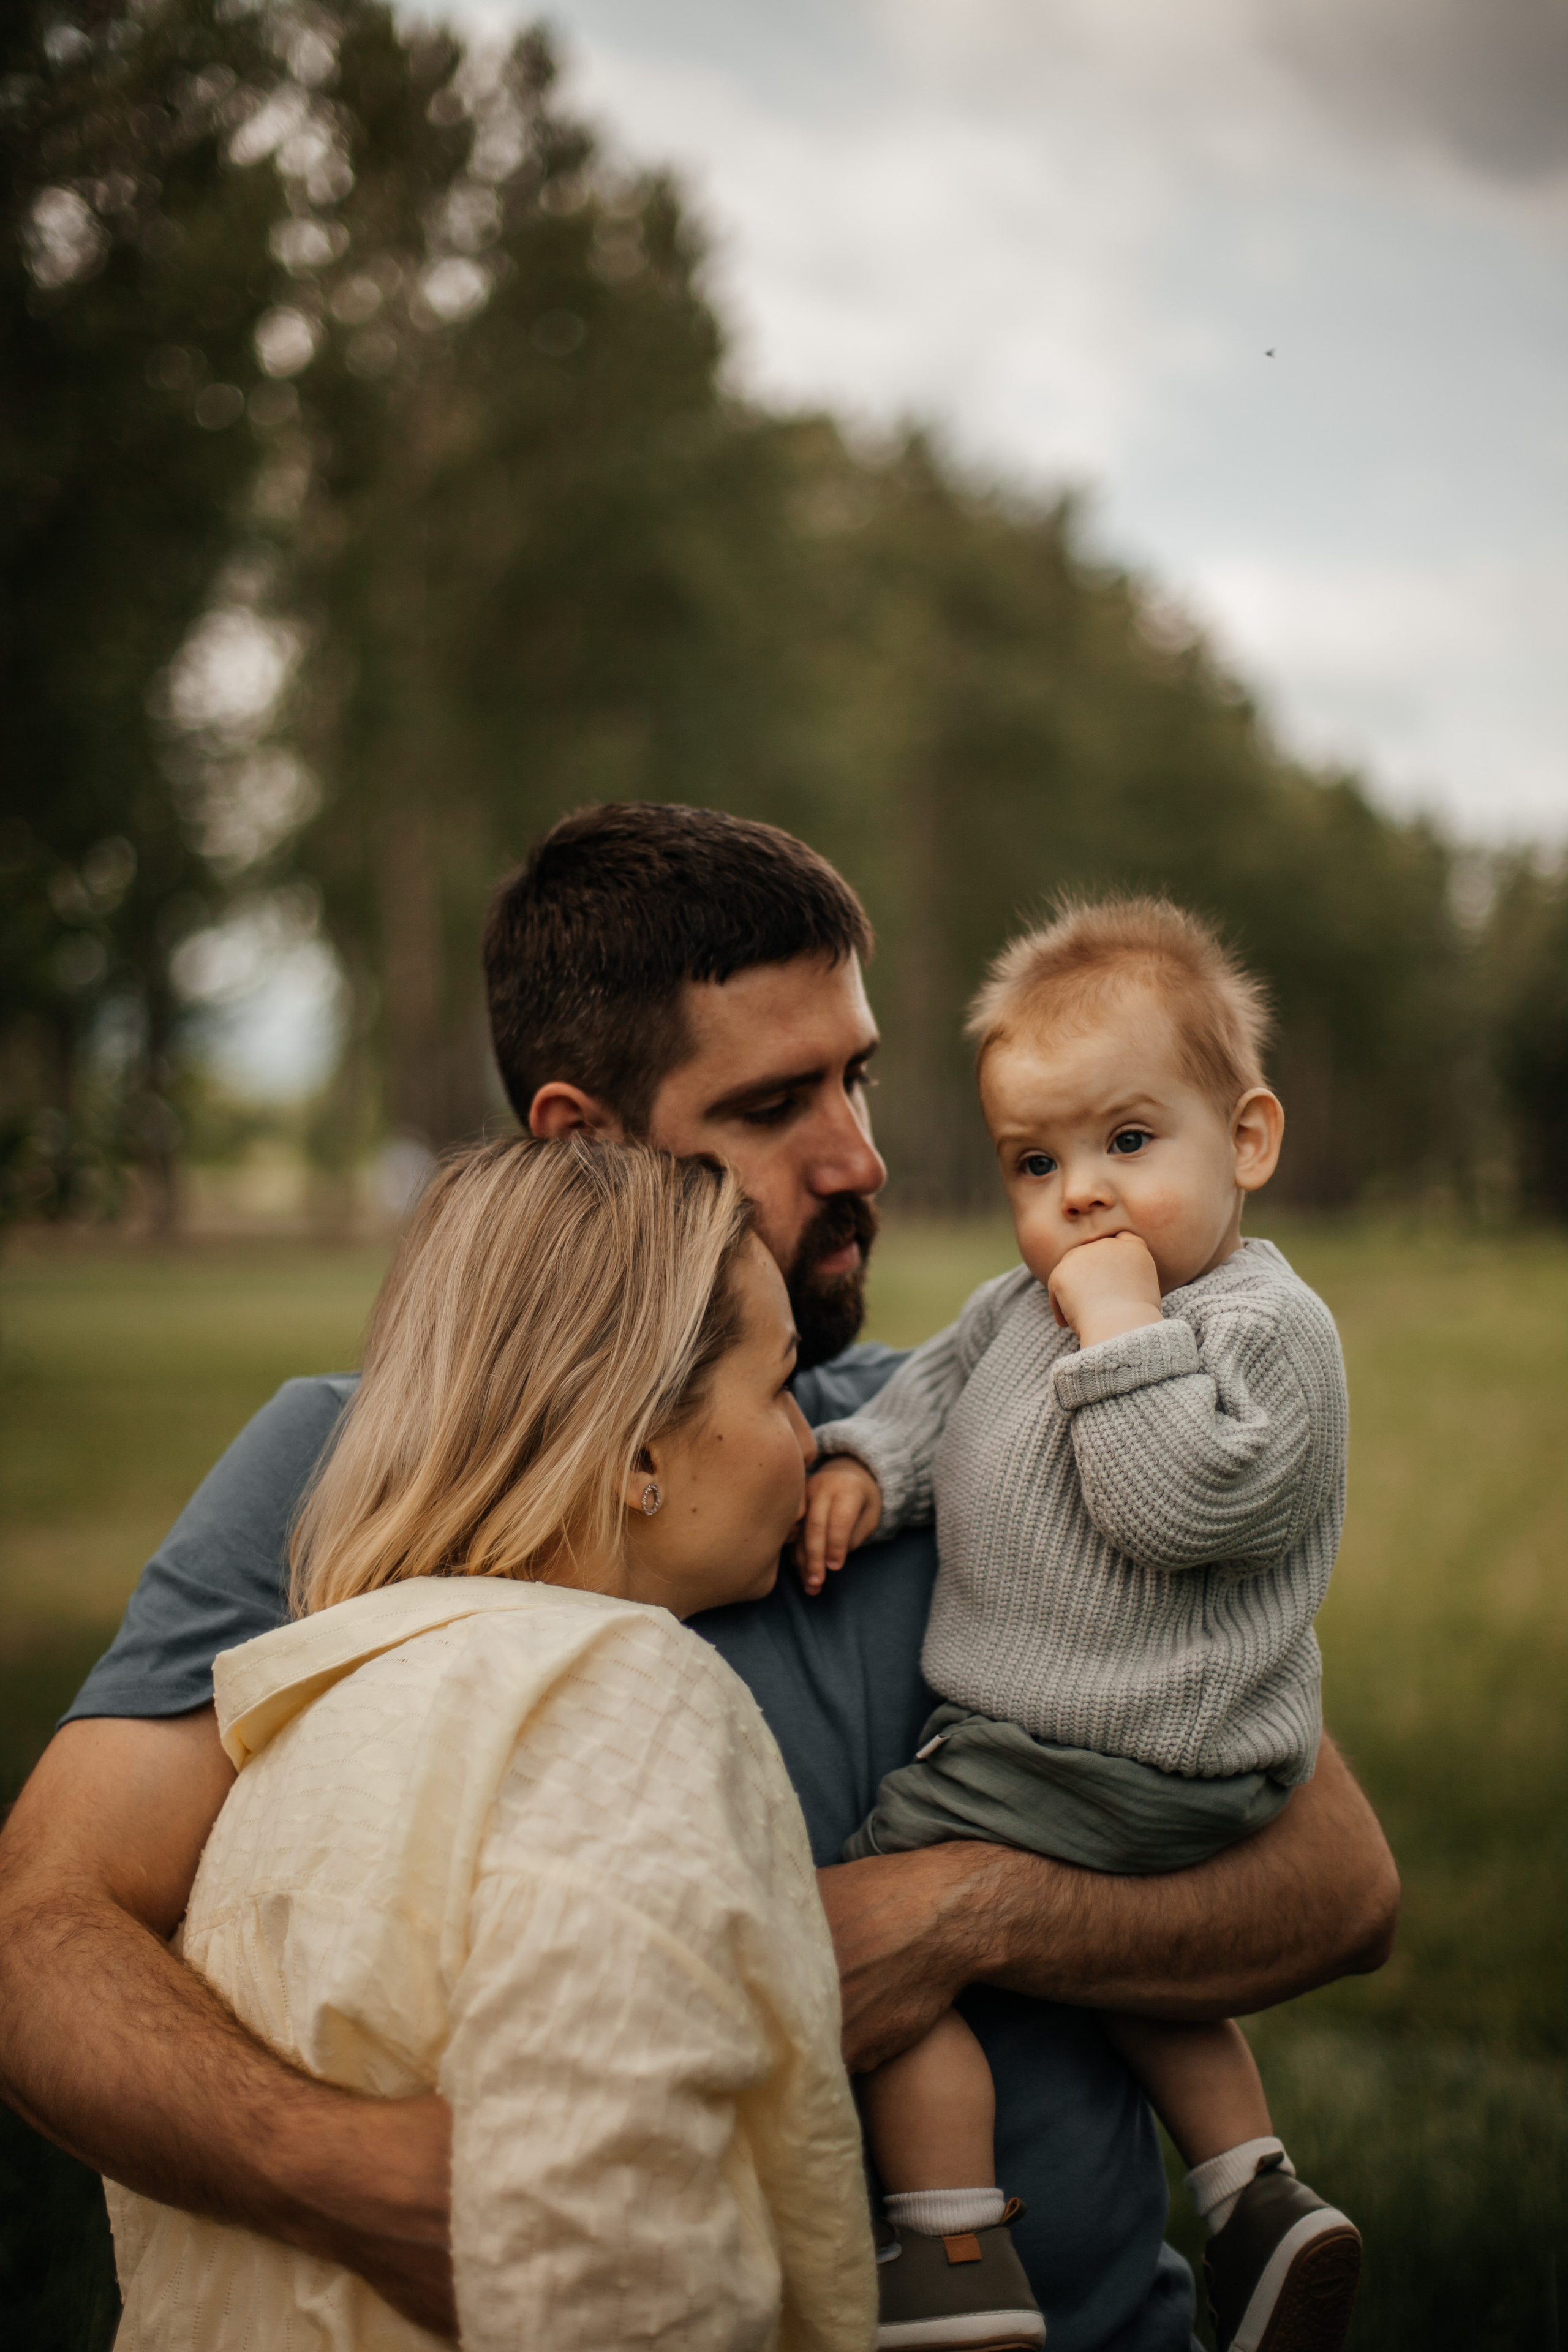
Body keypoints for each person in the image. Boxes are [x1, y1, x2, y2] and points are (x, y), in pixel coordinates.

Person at [0, 805, 1398, 2351]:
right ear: (580, 1141)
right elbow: (38, 1938)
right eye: (775, 1102)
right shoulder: (354, 1473)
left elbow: (1332, 1885)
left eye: (856, 1075)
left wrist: (944, 1915)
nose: (858, 1153)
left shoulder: (967, 1426)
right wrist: (377, 2186)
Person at [107, 1136, 876, 2350]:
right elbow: (617, 2277)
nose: (811, 1440)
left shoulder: (296, 1717)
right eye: (780, 1387)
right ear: (636, 1456)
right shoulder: (618, 1705)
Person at [799, 900, 1360, 2352]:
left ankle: (951, 2245)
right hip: (1122, 1777)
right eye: (1034, 1164)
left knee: (878, 1925)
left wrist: (1118, 1331)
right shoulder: (1017, 1305)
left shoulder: (1261, 1329)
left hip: (1114, 1754)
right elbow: (929, 1395)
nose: (1081, 1198)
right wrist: (867, 1465)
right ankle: (1252, 2195)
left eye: (1126, 1143)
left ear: (1245, 1140)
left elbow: (1187, 1510)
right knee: (1115, 1968)